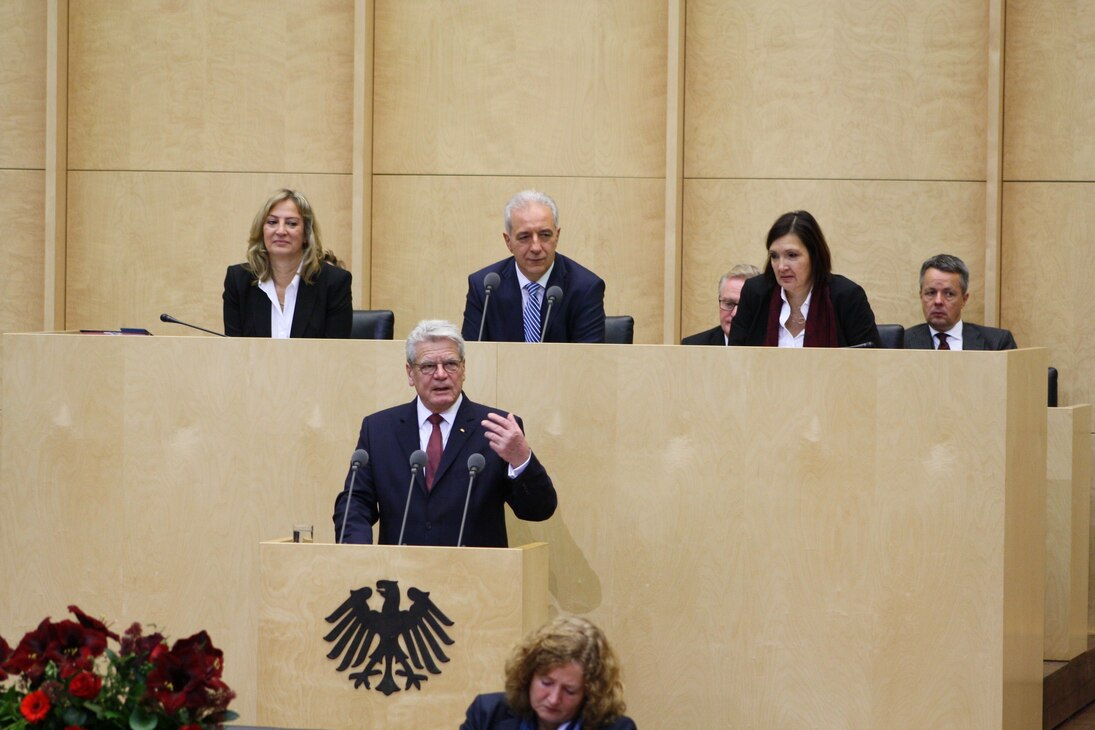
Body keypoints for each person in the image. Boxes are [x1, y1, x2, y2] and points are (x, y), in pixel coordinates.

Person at [332, 320, 557, 547]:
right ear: (410, 373)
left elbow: (538, 510)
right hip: (400, 576)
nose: (440, 374)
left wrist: (521, 459)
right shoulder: (379, 429)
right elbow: (356, 503)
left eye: (450, 364)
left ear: (463, 369)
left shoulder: (496, 428)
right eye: (428, 366)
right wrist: (357, 555)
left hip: (477, 577)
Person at [462, 190, 606, 343]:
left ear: (557, 236)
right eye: (524, 237)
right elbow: (472, 357)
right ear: (508, 241)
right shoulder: (484, 288)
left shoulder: (585, 287)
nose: (536, 248)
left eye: (545, 235)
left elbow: (590, 362)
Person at [728, 210, 880, 348]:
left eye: (792, 255)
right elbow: (734, 360)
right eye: (774, 256)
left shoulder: (847, 297)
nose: (781, 266)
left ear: (814, 256)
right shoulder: (754, 293)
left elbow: (871, 365)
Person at [460, 615, 636, 730]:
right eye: (546, 683)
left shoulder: (618, 729)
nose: (553, 699)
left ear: (590, 693)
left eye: (570, 691)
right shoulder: (487, 714)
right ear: (528, 675)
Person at [223, 188, 352, 338]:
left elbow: (336, 354)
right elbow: (234, 353)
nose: (281, 231)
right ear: (261, 230)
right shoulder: (238, 281)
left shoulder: (334, 283)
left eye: (291, 223)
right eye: (272, 222)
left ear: (306, 234)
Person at [905, 254, 1018, 350]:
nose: (938, 301)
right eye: (931, 293)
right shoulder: (901, 344)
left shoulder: (997, 344)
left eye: (949, 294)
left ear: (964, 299)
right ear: (921, 296)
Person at [681, 263, 761, 345]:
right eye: (729, 304)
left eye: (744, 306)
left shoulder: (771, 346)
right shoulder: (693, 347)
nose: (735, 314)